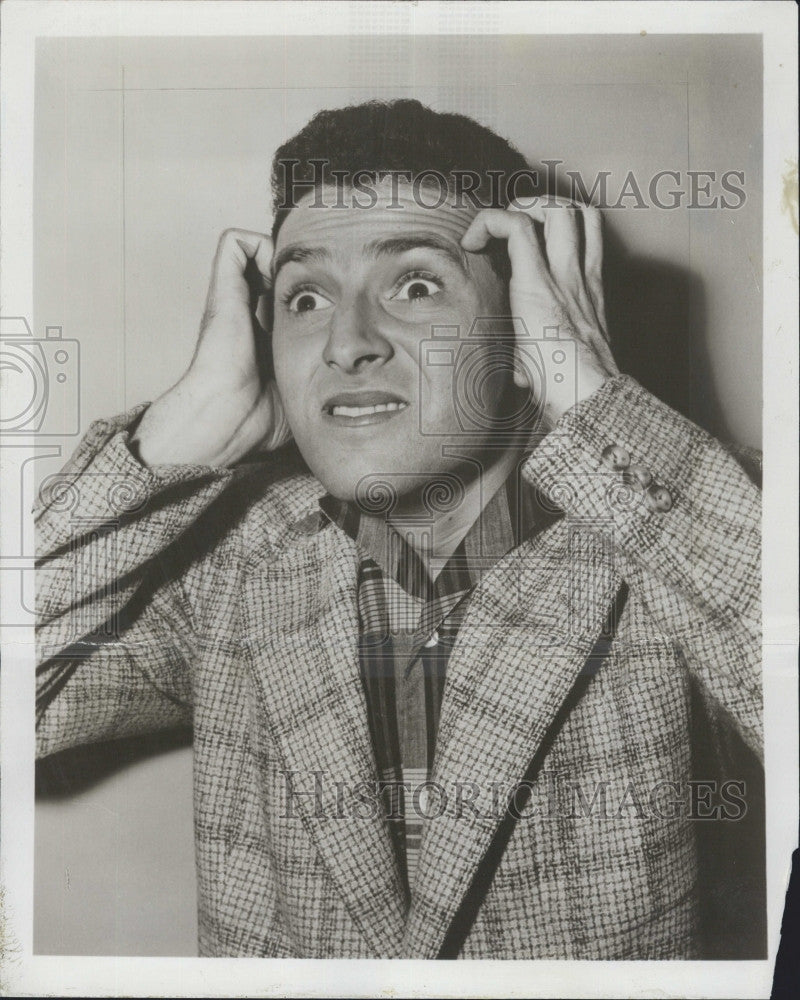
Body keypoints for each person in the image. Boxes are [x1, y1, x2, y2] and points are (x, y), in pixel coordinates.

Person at [35, 99, 763, 959]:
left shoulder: (686, 524)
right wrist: (180, 432)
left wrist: (591, 396)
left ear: (524, 322)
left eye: (416, 284)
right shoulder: (231, 570)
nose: (347, 343)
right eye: (306, 297)